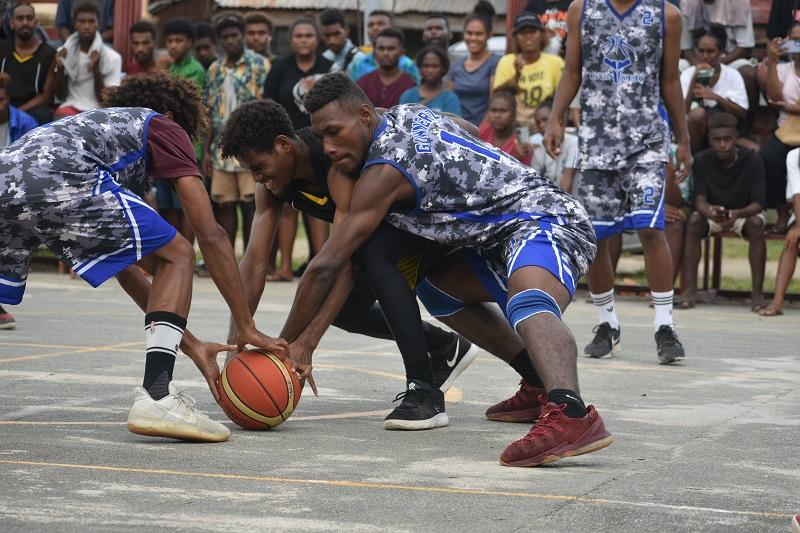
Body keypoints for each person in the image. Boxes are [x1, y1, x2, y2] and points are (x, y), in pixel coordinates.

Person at [288, 72, 612, 464]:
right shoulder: (405, 113)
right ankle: (536, 378)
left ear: (363, 115)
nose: (328, 147)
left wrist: (287, 344)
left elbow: (328, 264)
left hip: (543, 217)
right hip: (493, 235)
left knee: (529, 300)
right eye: (321, 137)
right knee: (436, 287)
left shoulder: (384, 170)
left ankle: (570, 411)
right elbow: (468, 128)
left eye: (334, 132)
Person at [0, 73, 288, 442]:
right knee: (180, 252)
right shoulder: (162, 125)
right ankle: (157, 394)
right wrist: (246, 325)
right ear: (171, 114)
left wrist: (192, 344)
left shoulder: (99, 134)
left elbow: (127, 269)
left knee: (168, 254)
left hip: (9, 174)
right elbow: (210, 234)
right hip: (59, 177)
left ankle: (158, 389)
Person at [219, 99, 479, 394]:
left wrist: (297, 346)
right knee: (347, 311)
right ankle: (446, 347)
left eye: (259, 167)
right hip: (370, 236)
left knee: (365, 266)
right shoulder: (270, 185)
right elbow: (254, 262)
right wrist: (237, 340)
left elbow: (344, 262)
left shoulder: (335, 163)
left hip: (423, 222)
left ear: (283, 145)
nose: (257, 178)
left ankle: (426, 381)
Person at [544, 0, 692, 364]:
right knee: (597, 234)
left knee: (651, 229)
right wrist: (556, 117)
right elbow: (572, 70)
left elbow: (670, 79)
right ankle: (607, 324)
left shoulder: (666, 15)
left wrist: (683, 138)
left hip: (647, 142)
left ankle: (664, 325)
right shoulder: (582, 9)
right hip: (597, 138)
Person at [263, 17, 334, 282]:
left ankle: (319, 265)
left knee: (319, 205)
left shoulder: (329, 68)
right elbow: (268, 105)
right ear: (291, 39)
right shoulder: (280, 68)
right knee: (290, 205)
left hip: (323, 144)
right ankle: (284, 268)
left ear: (318, 39)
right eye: (299, 35)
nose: (304, 40)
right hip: (286, 145)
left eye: (309, 35)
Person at [680, 112, 766, 310]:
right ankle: (690, 290)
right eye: (717, 140)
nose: (722, 144)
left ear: (736, 138)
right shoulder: (701, 161)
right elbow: (699, 200)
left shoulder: (753, 160)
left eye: (727, 139)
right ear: (709, 140)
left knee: (757, 224)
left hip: (744, 213)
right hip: (714, 213)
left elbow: (758, 204)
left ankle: (757, 294)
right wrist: (710, 212)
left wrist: (737, 214)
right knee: (693, 221)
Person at [203, 13, 269, 251]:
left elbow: (267, 104)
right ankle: (227, 257)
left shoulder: (260, 65)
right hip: (221, 146)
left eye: (234, 35)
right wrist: (208, 151)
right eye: (225, 37)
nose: (230, 41)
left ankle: (251, 257)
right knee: (225, 204)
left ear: (242, 36)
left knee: (251, 203)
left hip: (251, 145)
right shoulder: (214, 69)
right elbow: (209, 111)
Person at [680, 24, 748, 154]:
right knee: (697, 114)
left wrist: (715, 97)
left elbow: (742, 113)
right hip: (695, 134)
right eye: (701, 51)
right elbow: (683, 112)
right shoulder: (688, 74)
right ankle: (697, 158)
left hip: (724, 130)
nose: (705, 56)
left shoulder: (732, 74)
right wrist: (694, 79)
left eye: (710, 51)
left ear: (721, 51)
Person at [758, 25, 800, 234]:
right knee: (767, 156)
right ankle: (782, 213)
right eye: (794, 40)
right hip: (786, 131)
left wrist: (791, 107)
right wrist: (773, 61)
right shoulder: (783, 68)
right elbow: (774, 99)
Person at [52, 1, 121, 119]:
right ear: (75, 24)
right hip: (70, 108)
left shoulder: (112, 57)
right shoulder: (63, 53)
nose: (87, 26)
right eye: (82, 21)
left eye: (91, 21)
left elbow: (107, 101)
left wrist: (96, 70)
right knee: (59, 116)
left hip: (98, 111)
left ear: (98, 24)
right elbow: (61, 96)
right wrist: (61, 68)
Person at [494, 13, 563, 128]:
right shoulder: (506, 61)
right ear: (516, 38)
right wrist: (517, 74)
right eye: (523, 33)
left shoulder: (555, 62)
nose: (528, 36)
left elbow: (561, 99)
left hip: (545, 125)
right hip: (513, 126)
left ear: (541, 35)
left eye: (532, 31)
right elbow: (499, 98)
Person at [0, 2, 56, 125]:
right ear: (12, 23)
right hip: (4, 104)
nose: (25, 22)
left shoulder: (49, 53)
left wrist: (16, 113)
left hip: (32, 109)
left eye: (29, 18)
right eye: (20, 18)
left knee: (43, 114)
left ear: (36, 22)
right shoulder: (2, 49)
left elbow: (46, 97)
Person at [760, 147, 800, 317]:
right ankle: (777, 303)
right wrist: (799, 227)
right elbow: (797, 194)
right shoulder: (795, 156)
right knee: (791, 241)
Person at [450, 4, 500, 126]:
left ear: (489, 35)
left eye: (479, 34)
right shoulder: (456, 66)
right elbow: (450, 102)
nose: (473, 38)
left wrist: (478, 134)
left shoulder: (496, 63)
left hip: (483, 131)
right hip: (456, 130)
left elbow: (494, 104)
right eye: (469, 33)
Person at [346, 10, 419, 83]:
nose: (375, 28)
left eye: (380, 24)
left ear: (392, 27)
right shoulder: (359, 64)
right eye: (370, 25)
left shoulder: (407, 65)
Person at [356, 28, 416, 109]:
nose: (385, 53)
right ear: (374, 52)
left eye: (391, 49)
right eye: (381, 48)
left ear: (401, 53)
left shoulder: (411, 85)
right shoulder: (363, 83)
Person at [530, 101, 578, 193]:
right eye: (538, 122)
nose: (541, 125)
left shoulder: (574, 143)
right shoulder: (538, 151)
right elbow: (535, 183)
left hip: (569, 200)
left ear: (559, 120)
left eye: (545, 120)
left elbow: (567, 179)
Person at [399, 45, 461, 116]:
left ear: (443, 68)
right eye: (426, 66)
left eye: (435, 66)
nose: (430, 70)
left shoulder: (450, 99)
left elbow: (453, 125)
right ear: (419, 68)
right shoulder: (408, 96)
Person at [478, 89, 531, 165]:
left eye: (503, 111)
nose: (497, 115)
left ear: (513, 114)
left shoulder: (521, 140)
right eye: (493, 110)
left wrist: (517, 156)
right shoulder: (483, 130)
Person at [164, 18, 205, 91]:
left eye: (178, 41)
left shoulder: (195, 70)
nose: (173, 46)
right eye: (169, 41)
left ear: (189, 42)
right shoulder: (171, 66)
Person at [320, 9, 364, 73]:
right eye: (327, 35)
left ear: (346, 30)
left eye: (336, 34)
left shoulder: (359, 59)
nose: (332, 41)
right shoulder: (324, 58)